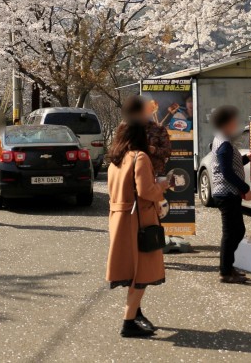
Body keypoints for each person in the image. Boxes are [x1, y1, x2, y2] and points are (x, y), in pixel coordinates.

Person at [106, 121, 171, 338]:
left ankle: (135, 313)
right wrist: (162, 186)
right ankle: (128, 322)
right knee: (141, 273)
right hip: (139, 221)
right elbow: (146, 191)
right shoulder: (139, 157)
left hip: (119, 218)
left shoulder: (116, 160)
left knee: (129, 270)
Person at [209, 105, 251, 284]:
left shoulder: (223, 140)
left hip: (227, 193)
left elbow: (229, 165)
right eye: (233, 120)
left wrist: (246, 159)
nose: (236, 123)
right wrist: (245, 188)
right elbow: (227, 172)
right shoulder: (224, 144)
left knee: (237, 231)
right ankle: (225, 271)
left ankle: (228, 267)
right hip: (226, 193)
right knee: (230, 233)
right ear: (226, 123)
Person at [122, 96, 171, 175]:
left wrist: (154, 150)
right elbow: (120, 150)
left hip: (155, 172)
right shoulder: (127, 129)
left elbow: (167, 151)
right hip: (132, 172)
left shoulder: (158, 129)